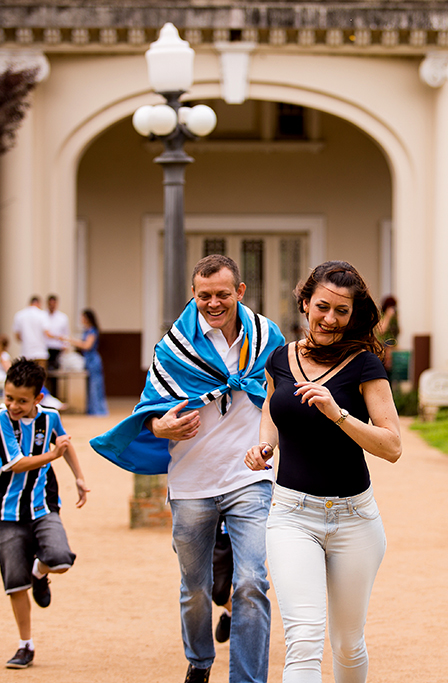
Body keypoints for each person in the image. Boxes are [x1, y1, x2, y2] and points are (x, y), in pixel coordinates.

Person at [90, 254, 285, 683]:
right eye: (204, 296)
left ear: (240, 292)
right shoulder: (172, 348)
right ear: (193, 295)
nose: (213, 303)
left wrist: (272, 447)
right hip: (192, 481)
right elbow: (151, 412)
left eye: (221, 294)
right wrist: (163, 427)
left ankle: (248, 679)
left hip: (249, 477)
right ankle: (199, 661)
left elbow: (280, 396)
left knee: (252, 581)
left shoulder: (268, 336)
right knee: (194, 587)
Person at [245, 260, 402, 683]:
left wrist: (339, 415)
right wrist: (265, 445)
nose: (329, 319)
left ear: (354, 315)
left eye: (342, 311)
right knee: (304, 639)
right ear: (305, 303)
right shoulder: (279, 358)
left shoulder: (365, 364)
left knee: (348, 644)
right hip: (292, 516)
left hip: (355, 520)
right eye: (322, 307)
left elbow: (393, 447)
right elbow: (272, 410)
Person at [0, 358, 90, 669]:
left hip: (42, 504)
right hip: (7, 510)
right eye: (9, 398)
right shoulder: (2, 419)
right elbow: (16, 462)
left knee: (60, 559)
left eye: (21, 400)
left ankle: (40, 573)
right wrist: (51, 455)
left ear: (38, 399)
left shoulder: (50, 417)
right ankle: (25, 645)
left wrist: (79, 476)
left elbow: (64, 443)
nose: (13, 406)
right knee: (15, 582)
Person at [60, 308, 108, 416]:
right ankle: (92, 409)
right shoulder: (86, 330)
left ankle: (98, 410)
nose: (81, 319)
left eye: (82, 317)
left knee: (95, 386)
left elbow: (87, 345)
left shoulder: (92, 331)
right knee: (90, 386)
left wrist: (71, 340)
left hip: (93, 360)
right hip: (87, 359)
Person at [12, 296, 49, 369]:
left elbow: (17, 336)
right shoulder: (42, 314)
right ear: (38, 303)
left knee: (27, 377)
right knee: (40, 376)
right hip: (40, 351)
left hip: (26, 351)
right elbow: (47, 333)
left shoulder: (19, 315)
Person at [44, 294, 70, 395]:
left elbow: (66, 333)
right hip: (45, 348)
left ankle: (55, 395)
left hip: (57, 348)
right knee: (45, 374)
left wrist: (65, 345)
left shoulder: (62, 317)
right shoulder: (43, 316)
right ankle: (46, 396)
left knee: (55, 374)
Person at [376, 295, 399, 372]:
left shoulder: (394, 317)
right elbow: (381, 330)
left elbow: (397, 331)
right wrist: (388, 316)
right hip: (383, 344)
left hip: (392, 345)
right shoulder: (381, 316)